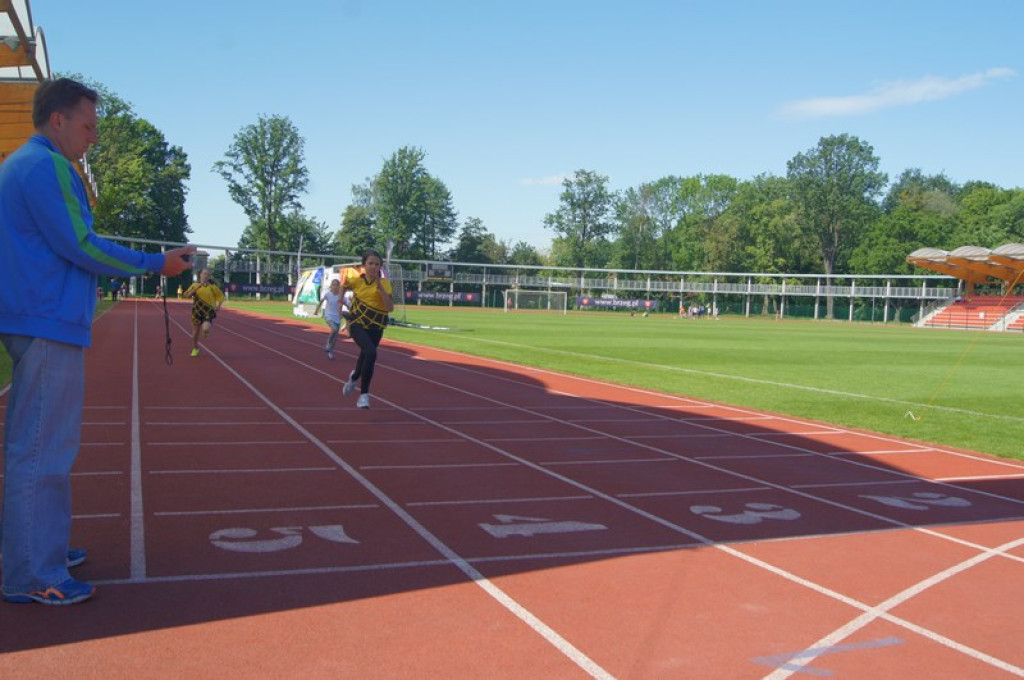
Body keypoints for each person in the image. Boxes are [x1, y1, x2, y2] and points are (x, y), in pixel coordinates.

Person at [0, 78, 194, 605]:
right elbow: (81, 244)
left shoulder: (23, 165)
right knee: (43, 451)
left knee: (39, 447)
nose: (94, 138)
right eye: (88, 126)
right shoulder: (46, 167)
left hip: (36, 315)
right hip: (46, 319)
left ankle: (38, 549)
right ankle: (32, 571)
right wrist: (155, 263)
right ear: (57, 120)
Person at [340, 249, 394, 409]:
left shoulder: (385, 284)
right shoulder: (356, 281)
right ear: (364, 265)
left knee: (365, 355)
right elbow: (343, 284)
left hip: (376, 326)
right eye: (370, 263)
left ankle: (354, 377)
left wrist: (380, 288)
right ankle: (364, 395)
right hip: (357, 324)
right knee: (371, 353)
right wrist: (339, 303)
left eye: (377, 264)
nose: (373, 267)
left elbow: (389, 308)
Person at [182, 268, 225, 357]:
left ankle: (205, 331)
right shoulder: (194, 285)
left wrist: (218, 306)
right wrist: (197, 287)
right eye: (204, 274)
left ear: (209, 276)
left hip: (208, 311)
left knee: (205, 328)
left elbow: (220, 296)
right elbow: (187, 295)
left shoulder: (213, 287)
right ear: (200, 275)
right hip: (197, 311)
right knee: (195, 333)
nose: (206, 276)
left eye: (208, 274)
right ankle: (195, 348)